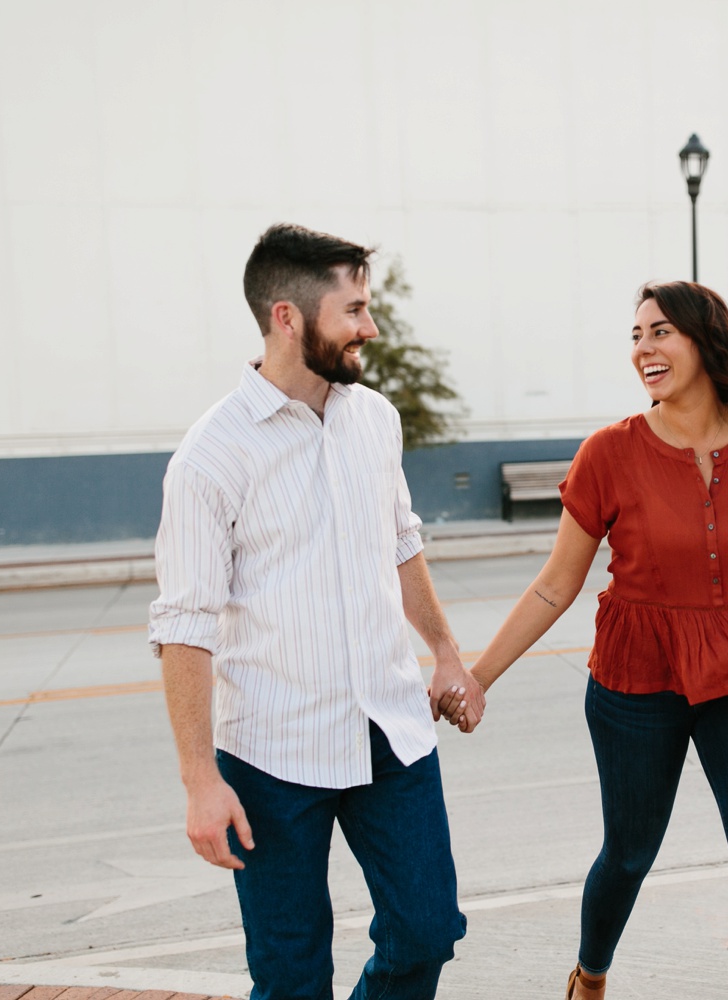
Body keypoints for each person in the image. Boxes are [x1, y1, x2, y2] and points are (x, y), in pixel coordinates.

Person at [443, 281, 728, 1000]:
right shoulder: (609, 454)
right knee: (628, 854)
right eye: (636, 335)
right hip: (635, 679)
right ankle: (590, 972)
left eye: (660, 333)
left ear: (705, 341)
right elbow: (556, 583)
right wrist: (479, 674)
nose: (643, 349)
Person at [149, 223, 484, 1000]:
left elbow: (401, 544)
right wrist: (201, 779)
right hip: (272, 753)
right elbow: (185, 628)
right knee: (291, 974)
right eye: (355, 310)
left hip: (389, 735)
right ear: (288, 316)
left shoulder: (374, 420)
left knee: (428, 930)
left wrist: (445, 652)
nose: (370, 327)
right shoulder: (210, 456)